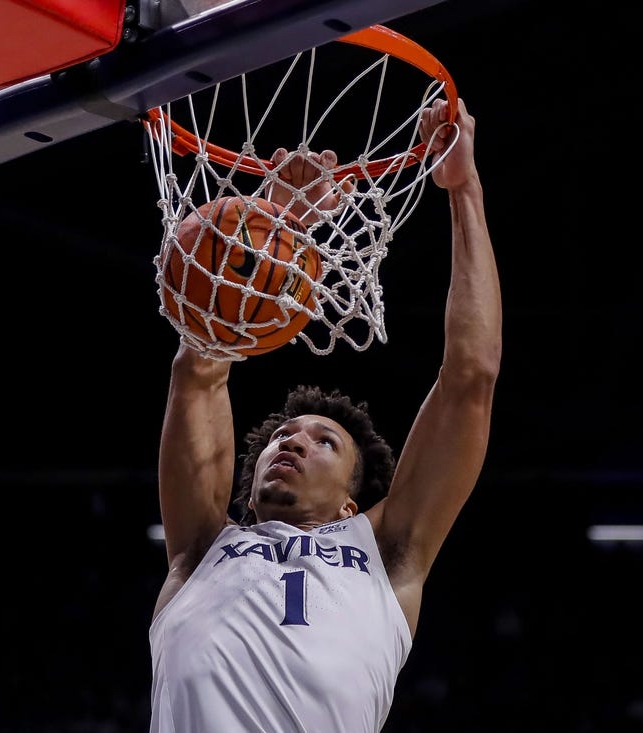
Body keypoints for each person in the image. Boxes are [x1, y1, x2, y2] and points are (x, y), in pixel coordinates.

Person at [148, 97, 501, 733]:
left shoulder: (388, 555)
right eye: (283, 434)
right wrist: (268, 231)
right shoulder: (201, 549)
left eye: (323, 442)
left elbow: (469, 380)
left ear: (348, 504)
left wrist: (463, 190)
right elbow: (198, 372)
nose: (293, 441)